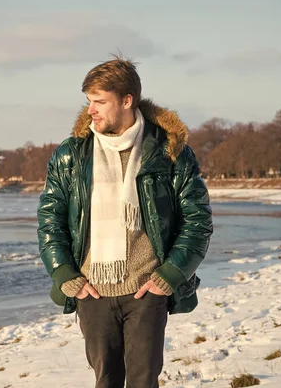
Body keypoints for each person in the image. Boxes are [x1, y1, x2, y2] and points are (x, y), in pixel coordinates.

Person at [37, 55, 213, 388]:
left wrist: (170, 275)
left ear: (127, 100)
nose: (91, 110)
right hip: (92, 293)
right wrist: (64, 275)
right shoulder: (71, 154)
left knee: (143, 382)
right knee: (106, 382)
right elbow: (51, 220)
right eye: (89, 102)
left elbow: (197, 219)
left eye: (100, 102)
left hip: (146, 291)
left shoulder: (170, 152)